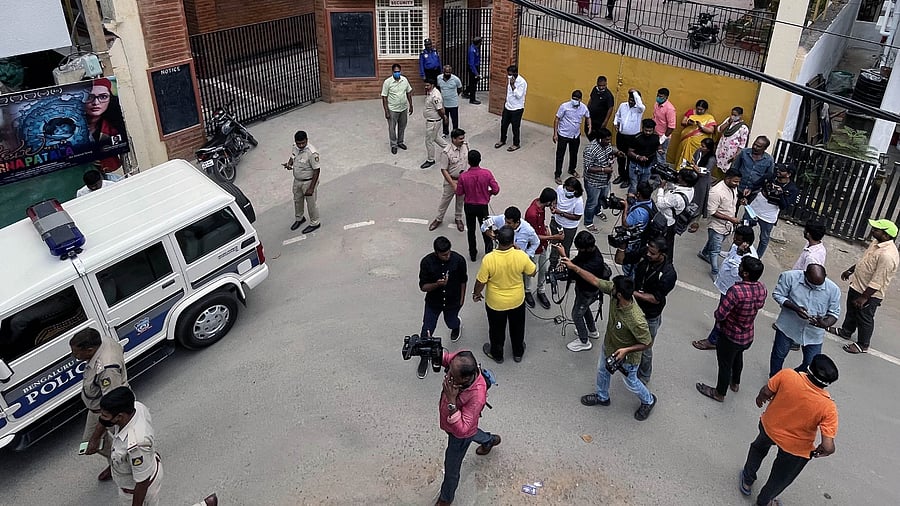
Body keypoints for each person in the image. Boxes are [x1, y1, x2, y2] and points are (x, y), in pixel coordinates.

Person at [740, 354, 839, 506]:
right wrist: (825, 451)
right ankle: (764, 501)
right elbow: (828, 445)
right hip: (796, 448)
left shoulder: (788, 375)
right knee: (780, 476)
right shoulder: (828, 407)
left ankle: (747, 480)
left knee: (758, 448)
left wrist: (760, 398)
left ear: (809, 369)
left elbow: (766, 391)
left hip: (769, 427)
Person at [563, 271, 658, 421]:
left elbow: (647, 342)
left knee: (631, 382)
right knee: (602, 371)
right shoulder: (616, 296)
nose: (611, 289)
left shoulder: (636, 319)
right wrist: (573, 266)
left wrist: (626, 350)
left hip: (627, 358)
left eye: (614, 288)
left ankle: (649, 400)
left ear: (619, 294)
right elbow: (595, 280)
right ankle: (602, 397)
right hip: (609, 346)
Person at [696, 256, 767, 402]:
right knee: (738, 357)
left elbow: (720, 314)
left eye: (741, 266)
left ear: (746, 273)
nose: (739, 267)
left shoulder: (736, 290)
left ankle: (719, 393)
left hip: (730, 335)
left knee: (725, 364)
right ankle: (735, 383)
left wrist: (718, 316)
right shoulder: (761, 288)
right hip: (747, 335)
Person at [435, 349, 499, 506]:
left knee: (451, 468)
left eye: (452, 376)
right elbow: (447, 358)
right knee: (473, 431)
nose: (447, 376)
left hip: (459, 434)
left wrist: (451, 401)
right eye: (449, 371)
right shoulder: (462, 360)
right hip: (462, 425)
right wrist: (432, 350)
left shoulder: (477, 396)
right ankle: (489, 440)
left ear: (464, 379)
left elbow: (463, 429)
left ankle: (446, 498)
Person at [830, 219, 900, 354]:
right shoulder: (876, 243)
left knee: (865, 318)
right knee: (851, 311)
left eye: (876, 229)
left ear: (886, 235)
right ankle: (846, 331)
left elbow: (878, 280)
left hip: (869, 294)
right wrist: (851, 270)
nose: (872, 230)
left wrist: (864, 298)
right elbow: (866, 261)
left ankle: (863, 344)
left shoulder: (888, 256)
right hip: (857, 286)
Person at [614, 237, 677, 383]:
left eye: (653, 253)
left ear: (662, 254)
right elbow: (620, 260)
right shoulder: (645, 253)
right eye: (648, 250)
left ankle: (644, 376)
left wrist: (631, 293)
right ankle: (627, 363)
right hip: (633, 308)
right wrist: (622, 247)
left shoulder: (668, 274)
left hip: (650, 315)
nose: (648, 254)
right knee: (627, 338)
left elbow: (655, 298)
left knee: (645, 347)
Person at [70, 328, 128, 483]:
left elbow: (112, 406)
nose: (74, 356)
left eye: (76, 353)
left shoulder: (106, 369)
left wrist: (96, 437)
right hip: (97, 408)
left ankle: (135, 466)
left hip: (110, 413)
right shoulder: (104, 341)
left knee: (124, 441)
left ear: (89, 350)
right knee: (96, 443)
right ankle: (115, 463)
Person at [473, 227, 537, 363]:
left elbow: (481, 281)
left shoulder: (489, 259)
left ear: (497, 239)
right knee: (518, 327)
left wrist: (476, 294)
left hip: (496, 303)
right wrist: (519, 252)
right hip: (517, 300)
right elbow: (532, 272)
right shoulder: (520, 256)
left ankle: (497, 354)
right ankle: (518, 352)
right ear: (513, 240)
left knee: (496, 330)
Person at [769, 264, 841, 377]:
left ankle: (792, 378)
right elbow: (778, 295)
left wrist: (824, 324)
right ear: (805, 274)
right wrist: (796, 308)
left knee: (810, 363)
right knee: (778, 355)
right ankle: (774, 379)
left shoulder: (833, 290)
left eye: (818, 285)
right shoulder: (789, 277)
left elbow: (834, 314)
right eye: (811, 284)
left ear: (825, 276)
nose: (815, 288)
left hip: (813, 334)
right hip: (788, 327)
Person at [693, 226, 757, 350]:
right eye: (735, 237)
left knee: (722, 315)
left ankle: (713, 340)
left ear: (746, 242)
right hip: (725, 286)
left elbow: (736, 273)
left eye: (738, 239)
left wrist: (738, 255)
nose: (734, 241)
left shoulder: (749, 259)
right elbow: (729, 255)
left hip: (733, 292)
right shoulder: (737, 246)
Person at [99, 387, 162, 506]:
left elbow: (142, 482)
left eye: (105, 415)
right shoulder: (136, 407)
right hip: (140, 471)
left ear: (120, 416)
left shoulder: (136, 445)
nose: (102, 418)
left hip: (138, 492)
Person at [563, 232, 608, 352]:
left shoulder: (595, 262)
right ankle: (592, 330)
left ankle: (584, 341)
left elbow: (579, 273)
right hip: (584, 290)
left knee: (576, 315)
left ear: (587, 248)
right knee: (584, 309)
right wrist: (569, 262)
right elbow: (578, 260)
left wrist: (570, 266)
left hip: (588, 292)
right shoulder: (588, 251)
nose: (579, 251)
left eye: (580, 249)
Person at [745, 162, 800, 258]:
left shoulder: (792, 189)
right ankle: (739, 251)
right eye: (778, 168)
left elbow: (784, 206)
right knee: (744, 229)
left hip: (769, 214)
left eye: (782, 170)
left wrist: (780, 194)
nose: (778, 171)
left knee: (764, 238)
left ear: (788, 174)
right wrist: (749, 190)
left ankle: (757, 258)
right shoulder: (769, 177)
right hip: (755, 207)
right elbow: (756, 184)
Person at [420, 236, 468, 343]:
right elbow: (423, 287)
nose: (448, 256)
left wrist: (462, 299)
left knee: (451, 322)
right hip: (433, 302)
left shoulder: (459, 260)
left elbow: (463, 281)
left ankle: (456, 326)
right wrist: (437, 284)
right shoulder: (426, 262)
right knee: (427, 328)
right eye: (444, 255)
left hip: (453, 301)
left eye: (449, 252)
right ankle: (424, 354)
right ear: (436, 253)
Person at [456, 150, 499, 262]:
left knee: (471, 230)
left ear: (468, 161)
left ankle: (473, 254)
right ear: (480, 160)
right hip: (483, 207)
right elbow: (496, 189)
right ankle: (489, 253)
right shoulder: (487, 173)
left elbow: (459, 192)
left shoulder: (463, 176)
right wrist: (487, 194)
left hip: (469, 206)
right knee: (487, 230)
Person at [524, 188, 564, 310]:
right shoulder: (532, 213)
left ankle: (541, 290)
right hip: (534, 247)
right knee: (530, 270)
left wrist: (546, 229)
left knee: (543, 269)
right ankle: (527, 291)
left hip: (544, 244)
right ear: (547, 201)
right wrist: (553, 237)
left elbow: (540, 225)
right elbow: (534, 236)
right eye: (552, 202)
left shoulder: (540, 205)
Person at [698, 169, 741, 281]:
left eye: (738, 182)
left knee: (713, 243)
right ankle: (715, 271)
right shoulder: (716, 191)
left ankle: (703, 253)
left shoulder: (733, 188)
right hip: (717, 226)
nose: (737, 184)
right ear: (727, 179)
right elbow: (712, 211)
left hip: (727, 226)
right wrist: (730, 219)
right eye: (735, 181)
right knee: (715, 250)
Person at [653, 168, 698, 260]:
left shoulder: (676, 197)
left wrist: (661, 188)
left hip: (665, 223)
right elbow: (673, 188)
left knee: (660, 244)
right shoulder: (690, 189)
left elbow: (660, 204)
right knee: (669, 243)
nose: (677, 177)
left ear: (685, 182)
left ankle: (662, 261)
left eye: (680, 177)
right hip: (672, 222)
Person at [430, 128, 469, 232]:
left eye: (463, 138)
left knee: (460, 201)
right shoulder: (446, 152)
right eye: (460, 138)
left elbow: (467, 162)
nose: (462, 140)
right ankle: (438, 219)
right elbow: (444, 170)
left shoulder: (465, 146)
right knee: (445, 200)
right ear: (454, 139)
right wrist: (453, 184)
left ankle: (458, 218)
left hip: (463, 180)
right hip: (451, 180)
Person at [282, 130, 321, 234]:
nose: (301, 145)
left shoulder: (312, 153)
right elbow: (293, 155)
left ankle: (315, 223)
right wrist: (289, 164)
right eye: (299, 143)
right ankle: (299, 218)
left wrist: (311, 188)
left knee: (311, 204)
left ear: (307, 140)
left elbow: (317, 170)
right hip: (297, 181)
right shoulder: (295, 146)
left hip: (309, 182)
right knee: (297, 201)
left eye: (303, 143)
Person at [84, 77, 125, 173]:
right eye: (90, 97)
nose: (96, 103)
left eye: (103, 97)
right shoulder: (71, 129)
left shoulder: (114, 127)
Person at [582, 127, 618, 230]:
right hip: (593, 182)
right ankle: (588, 222)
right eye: (607, 140)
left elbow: (610, 150)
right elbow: (588, 168)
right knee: (592, 202)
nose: (609, 141)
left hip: (605, 180)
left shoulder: (607, 145)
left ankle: (597, 211)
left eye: (609, 139)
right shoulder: (590, 150)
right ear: (600, 139)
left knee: (602, 199)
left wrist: (616, 153)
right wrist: (603, 170)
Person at [619, 182, 658, 278]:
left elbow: (625, 224)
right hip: (644, 238)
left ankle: (629, 282)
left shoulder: (639, 212)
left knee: (628, 267)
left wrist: (626, 207)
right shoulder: (650, 203)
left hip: (634, 244)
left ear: (639, 194)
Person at [553, 89, 592, 183]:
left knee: (574, 154)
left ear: (580, 99)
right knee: (560, 155)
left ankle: (572, 169)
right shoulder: (564, 106)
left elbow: (588, 117)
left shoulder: (583, 107)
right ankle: (557, 174)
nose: (575, 100)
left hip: (575, 135)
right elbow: (557, 119)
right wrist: (555, 134)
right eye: (573, 98)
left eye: (577, 99)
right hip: (563, 134)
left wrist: (589, 126)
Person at [548, 177, 585, 269]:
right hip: (556, 222)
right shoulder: (560, 189)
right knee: (555, 244)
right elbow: (555, 199)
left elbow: (577, 217)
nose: (568, 191)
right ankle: (553, 263)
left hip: (569, 227)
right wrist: (553, 206)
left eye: (570, 190)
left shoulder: (578, 201)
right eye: (567, 188)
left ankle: (564, 264)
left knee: (565, 247)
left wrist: (560, 213)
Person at [612, 88, 645, 189]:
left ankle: (628, 179)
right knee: (621, 157)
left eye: (633, 98)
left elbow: (640, 105)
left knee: (630, 160)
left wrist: (635, 92)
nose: (631, 100)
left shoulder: (639, 109)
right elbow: (617, 115)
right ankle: (621, 176)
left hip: (632, 138)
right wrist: (615, 123)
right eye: (630, 98)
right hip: (621, 136)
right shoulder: (623, 105)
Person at [381, 64, 414, 154]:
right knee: (392, 128)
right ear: (392, 72)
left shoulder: (404, 80)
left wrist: (411, 105)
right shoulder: (387, 82)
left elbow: (408, 93)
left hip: (403, 108)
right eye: (395, 72)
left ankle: (400, 142)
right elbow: (384, 97)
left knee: (402, 126)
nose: (397, 73)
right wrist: (386, 111)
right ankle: (393, 145)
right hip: (392, 109)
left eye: (398, 71)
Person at [676, 99, 717, 166]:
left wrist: (701, 126)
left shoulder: (709, 118)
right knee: (683, 155)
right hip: (686, 139)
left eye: (701, 110)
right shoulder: (690, 112)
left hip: (698, 143)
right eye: (698, 109)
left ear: (705, 110)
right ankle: (679, 169)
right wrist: (688, 123)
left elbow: (711, 131)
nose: (699, 111)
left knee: (694, 157)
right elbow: (683, 122)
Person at [496, 65, 527, 152]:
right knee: (503, 125)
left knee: (515, 127)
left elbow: (519, 96)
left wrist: (513, 86)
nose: (509, 76)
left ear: (516, 73)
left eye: (510, 74)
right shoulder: (510, 79)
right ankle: (502, 140)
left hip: (517, 109)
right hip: (508, 107)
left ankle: (516, 144)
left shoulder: (522, 82)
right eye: (508, 74)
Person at [626, 118, 661, 195]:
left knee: (643, 185)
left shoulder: (655, 137)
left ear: (653, 130)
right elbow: (629, 152)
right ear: (642, 128)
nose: (648, 132)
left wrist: (660, 150)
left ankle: (639, 200)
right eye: (646, 130)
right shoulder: (636, 138)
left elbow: (658, 146)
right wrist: (638, 157)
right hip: (635, 165)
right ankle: (630, 201)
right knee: (634, 185)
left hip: (648, 166)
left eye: (650, 131)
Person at [421, 78, 449, 169]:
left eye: (428, 85)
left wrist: (444, 117)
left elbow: (440, 109)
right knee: (436, 137)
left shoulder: (435, 96)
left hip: (433, 122)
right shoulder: (431, 93)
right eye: (425, 85)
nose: (426, 87)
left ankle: (430, 160)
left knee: (429, 141)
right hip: (431, 121)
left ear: (432, 85)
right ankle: (450, 149)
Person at [688, 137, 717, 217]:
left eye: (703, 146)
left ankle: (696, 217)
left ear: (708, 149)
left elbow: (704, 173)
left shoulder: (712, 159)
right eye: (701, 145)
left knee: (699, 198)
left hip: (702, 181)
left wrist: (695, 167)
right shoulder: (699, 151)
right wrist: (694, 166)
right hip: (694, 177)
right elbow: (693, 160)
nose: (701, 147)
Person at [716, 106, 751, 171]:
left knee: (729, 170)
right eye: (732, 114)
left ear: (740, 115)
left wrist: (735, 156)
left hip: (731, 153)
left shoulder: (743, 128)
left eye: (735, 115)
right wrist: (728, 123)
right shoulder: (728, 121)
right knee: (720, 168)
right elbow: (719, 129)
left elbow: (742, 145)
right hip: (722, 150)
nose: (733, 116)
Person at [653, 88, 677, 165]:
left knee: (660, 157)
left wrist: (661, 140)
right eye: (658, 95)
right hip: (655, 134)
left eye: (661, 96)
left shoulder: (670, 109)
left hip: (664, 136)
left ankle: (660, 175)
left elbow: (671, 127)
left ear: (666, 97)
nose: (658, 98)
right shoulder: (656, 104)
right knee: (653, 155)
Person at [438, 65, 463, 136]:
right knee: (445, 118)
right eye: (446, 72)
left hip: (453, 103)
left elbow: (459, 89)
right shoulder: (439, 78)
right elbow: (438, 87)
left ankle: (455, 133)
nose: (447, 74)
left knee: (454, 120)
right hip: (444, 103)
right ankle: (445, 132)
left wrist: (453, 96)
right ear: (443, 72)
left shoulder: (456, 79)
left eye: (449, 72)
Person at [465, 36, 482, 105]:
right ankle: (472, 99)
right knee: (473, 84)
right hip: (473, 68)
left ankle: (466, 92)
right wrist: (476, 73)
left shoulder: (475, 48)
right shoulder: (472, 50)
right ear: (478, 43)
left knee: (475, 82)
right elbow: (472, 64)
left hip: (475, 66)